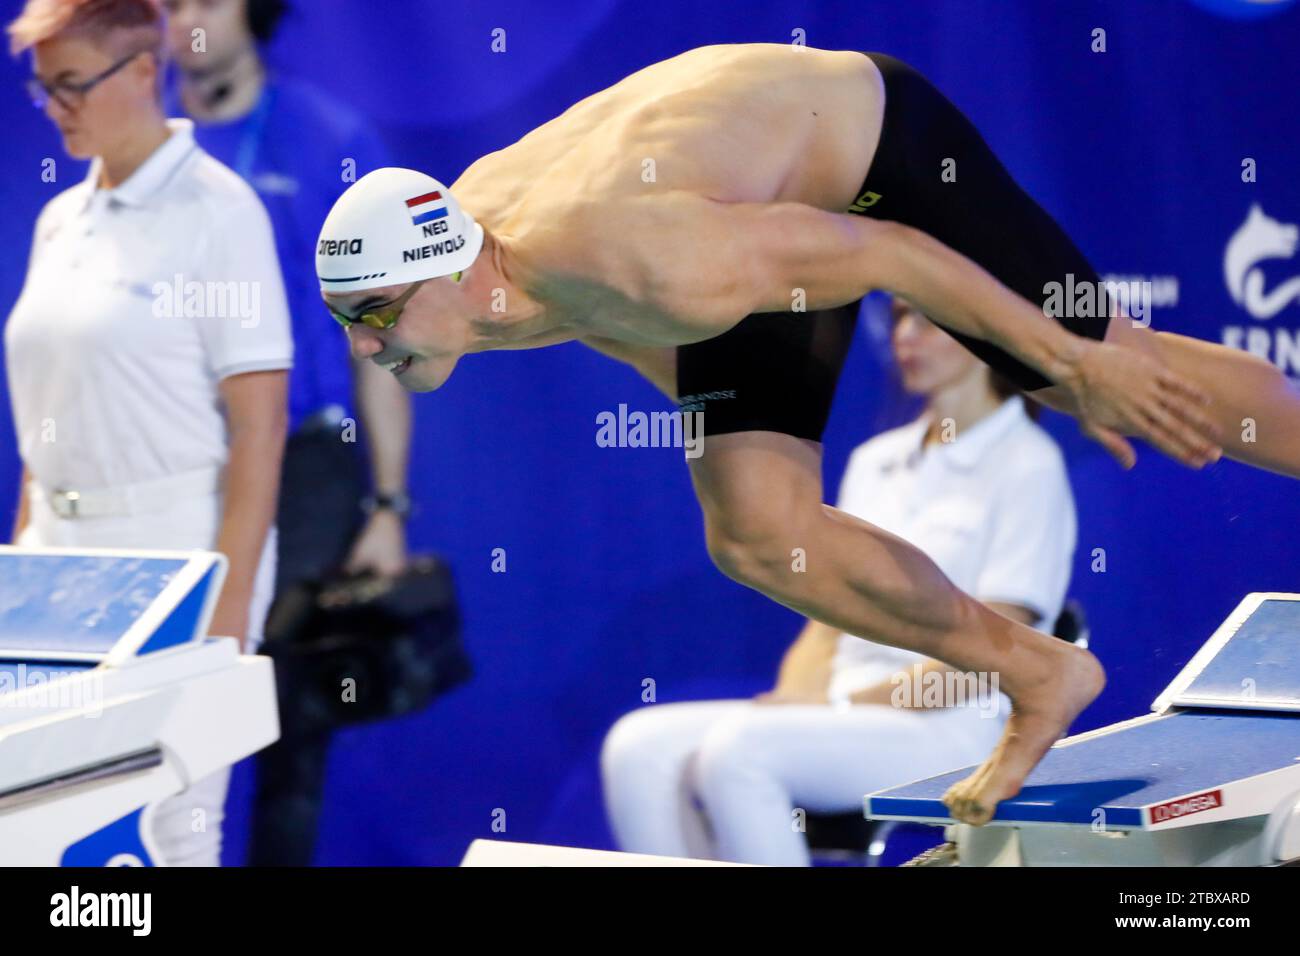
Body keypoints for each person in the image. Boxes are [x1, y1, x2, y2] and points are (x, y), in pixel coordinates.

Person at [313, 44, 1300, 823]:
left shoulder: (621, 251)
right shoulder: (493, 283)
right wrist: (732, 427)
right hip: (731, 215)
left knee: (1105, 354)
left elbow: (889, 252)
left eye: (377, 313)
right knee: (751, 525)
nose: (366, 347)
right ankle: (1040, 669)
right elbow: (644, 340)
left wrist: (1068, 365)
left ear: (449, 267)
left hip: (870, 157)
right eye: (347, 320)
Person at [601, 297, 1076, 865]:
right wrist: (797, 695)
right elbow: (828, 614)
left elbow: (1004, 645)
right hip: (845, 711)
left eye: (929, 318)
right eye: (901, 317)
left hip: (952, 728)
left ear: (981, 332)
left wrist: (851, 703)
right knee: (638, 747)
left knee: (738, 754)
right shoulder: (876, 460)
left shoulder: (1029, 463)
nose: (907, 334)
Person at [5, 0, 291, 865]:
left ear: (140, 72)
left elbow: (261, 427)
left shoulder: (219, 211)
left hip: (177, 558)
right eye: (42, 88)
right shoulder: (63, 219)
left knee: (167, 832)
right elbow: (48, 414)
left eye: (71, 85)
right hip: (56, 566)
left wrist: (230, 609)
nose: (55, 107)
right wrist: (23, 556)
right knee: (35, 827)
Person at [160, 0, 413, 864]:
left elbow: (376, 344)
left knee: (283, 723)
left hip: (302, 469)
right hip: (172, 464)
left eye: (204, 0)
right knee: (154, 718)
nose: (180, 16)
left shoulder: (327, 140)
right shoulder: (137, 144)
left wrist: (387, 506)